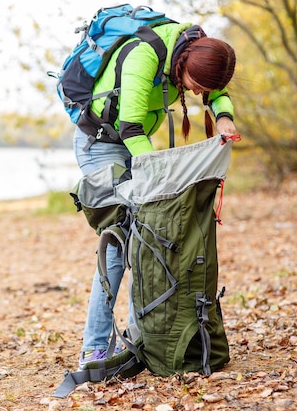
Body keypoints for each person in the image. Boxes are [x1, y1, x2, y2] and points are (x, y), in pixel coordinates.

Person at [74, 22, 237, 370]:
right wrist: (158, 175)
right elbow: (130, 127)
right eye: (197, 85)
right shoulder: (143, 56)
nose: (197, 94)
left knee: (147, 240)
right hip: (101, 144)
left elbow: (216, 90)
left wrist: (223, 116)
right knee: (119, 243)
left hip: (132, 143)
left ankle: (141, 338)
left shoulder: (197, 50)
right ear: (183, 66)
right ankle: (94, 347)